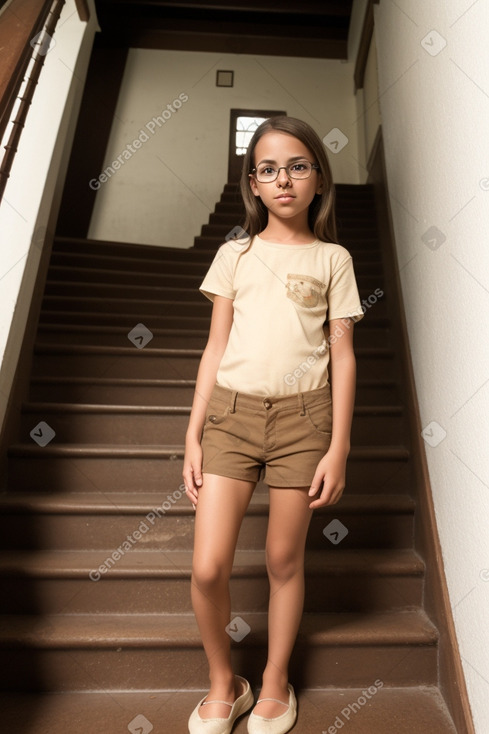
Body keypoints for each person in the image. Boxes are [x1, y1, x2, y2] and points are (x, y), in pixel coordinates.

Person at [183, 116, 364, 734]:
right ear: (252, 185)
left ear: (318, 178)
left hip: (304, 422)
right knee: (209, 566)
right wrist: (193, 431)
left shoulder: (334, 258)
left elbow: (342, 354)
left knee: (284, 559)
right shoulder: (234, 253)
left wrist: (338, 445)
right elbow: (214, 348)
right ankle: (223, 681)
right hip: (230, 418)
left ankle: (276, 679)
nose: (282, 179)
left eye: (298, 165)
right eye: (268, 169)